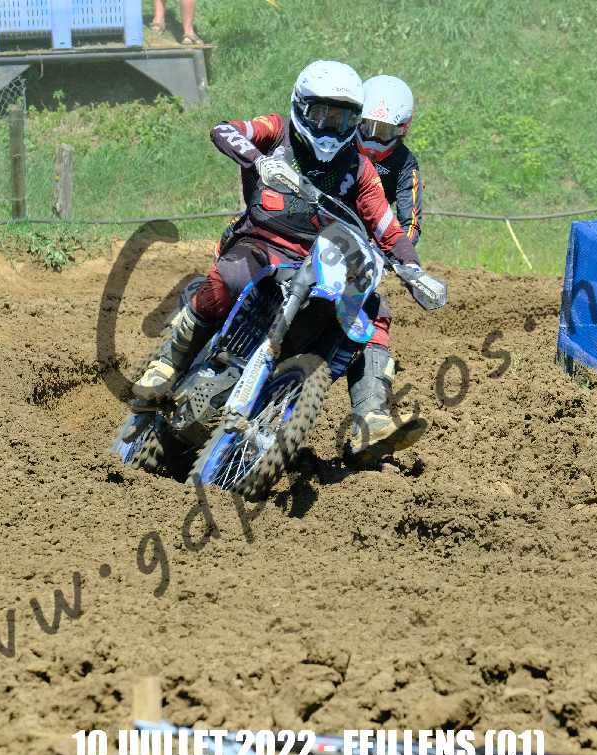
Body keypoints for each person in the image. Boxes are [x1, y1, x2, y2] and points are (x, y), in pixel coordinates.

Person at [133, 60, 433, 460]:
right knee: (232, 276)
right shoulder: (277, 132)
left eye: (343, 119)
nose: (331, 128)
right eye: (322, 115)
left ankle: (371, 418)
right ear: (301, 107)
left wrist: (414, 269)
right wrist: (258, 160)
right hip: (260, 242)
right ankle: (168, 362)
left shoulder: (359, 168)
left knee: (373, 311)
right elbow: (225, 130)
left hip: (322, 260)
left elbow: (388, 226)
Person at [356, 75, 423, 244]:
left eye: (384, 132)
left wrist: (400, 252)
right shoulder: (341, 144)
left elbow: (410, 224)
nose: (374, 138)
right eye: (369, 127)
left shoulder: (405, 164)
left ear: (401, 130)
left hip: (366, 238)